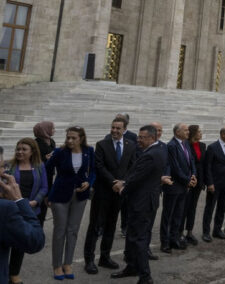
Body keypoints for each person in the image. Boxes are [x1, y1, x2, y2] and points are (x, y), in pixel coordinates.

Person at [111, 125, 168, 284]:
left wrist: (122, 188)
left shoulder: (151, 154)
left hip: (142, 202)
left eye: (142, 138)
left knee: (138, 239)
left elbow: (137, 179)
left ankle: (145, 276)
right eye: (138, 137)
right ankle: (132, 266)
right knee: (132, 235)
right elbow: (142, 175)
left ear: (152, 138)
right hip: (145, 200)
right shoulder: (160, 150)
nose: (138, 140)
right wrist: (125, 181)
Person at [84, 117, 137, 275]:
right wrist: (113, 182)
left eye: (118, 128)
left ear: (124, 129)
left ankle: (105, 257)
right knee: (95, 226)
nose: (114, 130)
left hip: (119, 193)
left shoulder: (131, 145)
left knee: (111, 226)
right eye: (112, 127)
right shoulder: (102, 145)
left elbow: (133, 166)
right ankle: (89, 260)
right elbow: (99, 166)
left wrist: (123, 182)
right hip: (103, 192)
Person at [46, 125, 96, 280]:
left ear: (81, 138)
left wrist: (89, 182)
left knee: (73, 231)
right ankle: (56, 265)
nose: (70, 140)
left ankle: (68, 263)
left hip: (80, 196)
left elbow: (94, 170)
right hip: (60, 195)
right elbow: (47, 169)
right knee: (60, 231)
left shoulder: (89, 151)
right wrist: (47, 193)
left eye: (73, 138)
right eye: (68, 137)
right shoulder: (60, 152)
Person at [6, 138, 48, 284]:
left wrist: (35, 201)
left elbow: (44, 188)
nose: (20, 152)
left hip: (29, 210)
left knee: (20, 245)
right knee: (5, 244)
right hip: (10, 210)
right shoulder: (8, 166)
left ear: (32, 152)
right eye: (18, 149)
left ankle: (14, 274)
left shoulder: (39, 166)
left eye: (24, 149)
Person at [0, 172, 45, 284]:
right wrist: (19, 199)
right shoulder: (5, 209)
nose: (4, 172)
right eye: (1, 167)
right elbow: (36, 241)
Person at [160, 123, 196, 253]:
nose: (188, 132)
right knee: (168, 215)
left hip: (184, 185)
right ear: (177, 132)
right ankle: (164, 242)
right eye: (185, 130)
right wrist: (187, 180)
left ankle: (174, 238)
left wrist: (193, 176)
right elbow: (175, 167)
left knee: (178, 215)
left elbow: (191, 161)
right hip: (174, 186)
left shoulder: (185, 143)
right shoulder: (172, 146)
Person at [202, 128, 225, 241]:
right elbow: (207, 167)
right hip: (215, 184)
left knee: (222, 208)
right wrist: (210, 183)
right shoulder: (212, 147)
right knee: (210, 208)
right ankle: (206, 232)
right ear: (222, 134)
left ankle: (217, 230)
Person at [182, 125, 206, 245]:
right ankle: (179, 232)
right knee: (184, 207)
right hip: (188, 180)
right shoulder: (186, 144)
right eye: (199, 131)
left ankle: (189, 232)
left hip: (198, 181)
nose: (201, 133)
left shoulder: (202, 145)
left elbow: (203, 164)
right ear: (193, 133)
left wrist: (203, 181)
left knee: (193, 207)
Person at [33, 121, 56, 225]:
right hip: (39, 176)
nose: (54, 130)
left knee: (45, 204)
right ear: (45, 130)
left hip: (49, 175)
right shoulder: (35, 143)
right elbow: (32, 161)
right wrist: (44, 159)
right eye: (52, 128)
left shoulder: (52, 141)